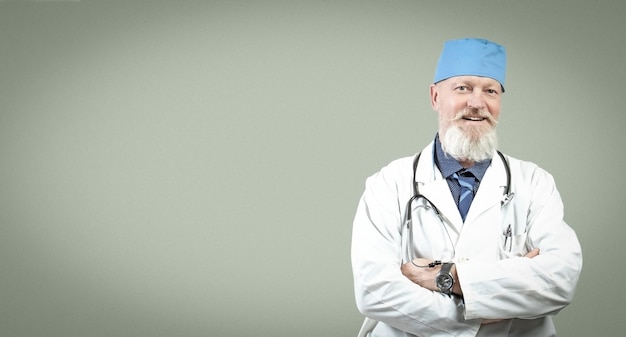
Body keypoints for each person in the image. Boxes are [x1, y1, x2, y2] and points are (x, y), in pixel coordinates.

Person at [350, 38, 582, 337]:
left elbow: (559, 281)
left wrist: (445, 277)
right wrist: (477, 316)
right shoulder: (389, 183)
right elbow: (374, 290)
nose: (477, 103)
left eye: (490, 91)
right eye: (463, 88)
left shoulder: (535, 183)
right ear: (435, 97)